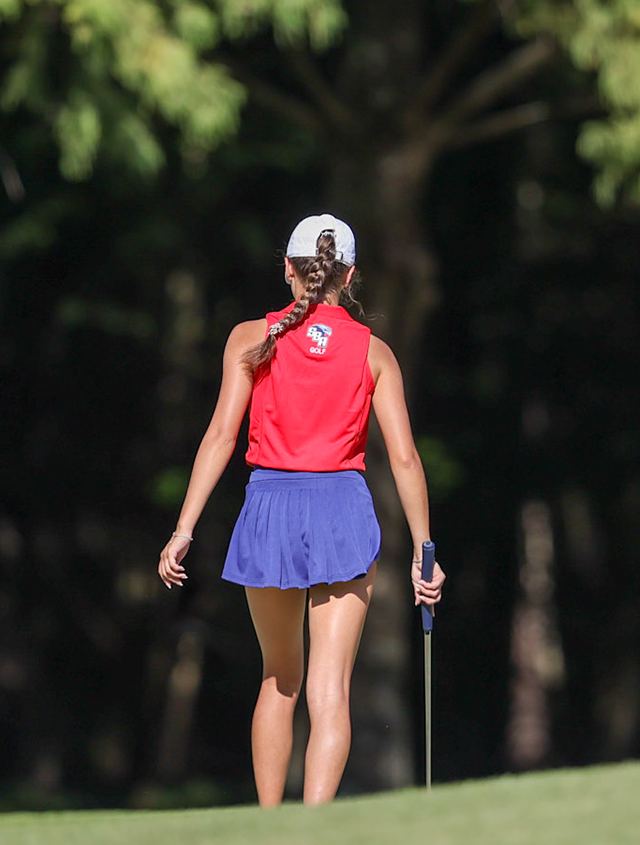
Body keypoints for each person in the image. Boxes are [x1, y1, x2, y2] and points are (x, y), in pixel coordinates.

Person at [158, 213, 444, 807]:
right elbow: (407, 460)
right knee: (330, 690)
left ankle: (271, 827)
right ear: (351, 275)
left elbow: (219, 437)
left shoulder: (249, 337)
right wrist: (426, 552)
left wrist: (184, 528)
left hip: (270, 509)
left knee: (278, 678)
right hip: (342, 511)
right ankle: (313, 828)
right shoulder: (376, 352)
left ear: (288, 269)